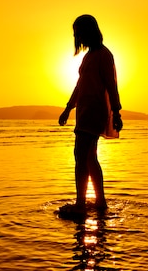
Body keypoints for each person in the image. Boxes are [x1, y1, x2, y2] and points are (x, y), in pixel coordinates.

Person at [58, 15, 122, 215]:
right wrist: (68, 108)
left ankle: (81, 204)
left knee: (81, 155)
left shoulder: (103, 54)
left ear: (89, 31)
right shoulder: (88, 56)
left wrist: (117, 112)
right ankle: (99, 202)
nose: (77, 36)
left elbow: (111, 85)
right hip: (84, 111)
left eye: (79, 32)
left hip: (94, 111)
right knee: (89, 156)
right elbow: (80, 86)